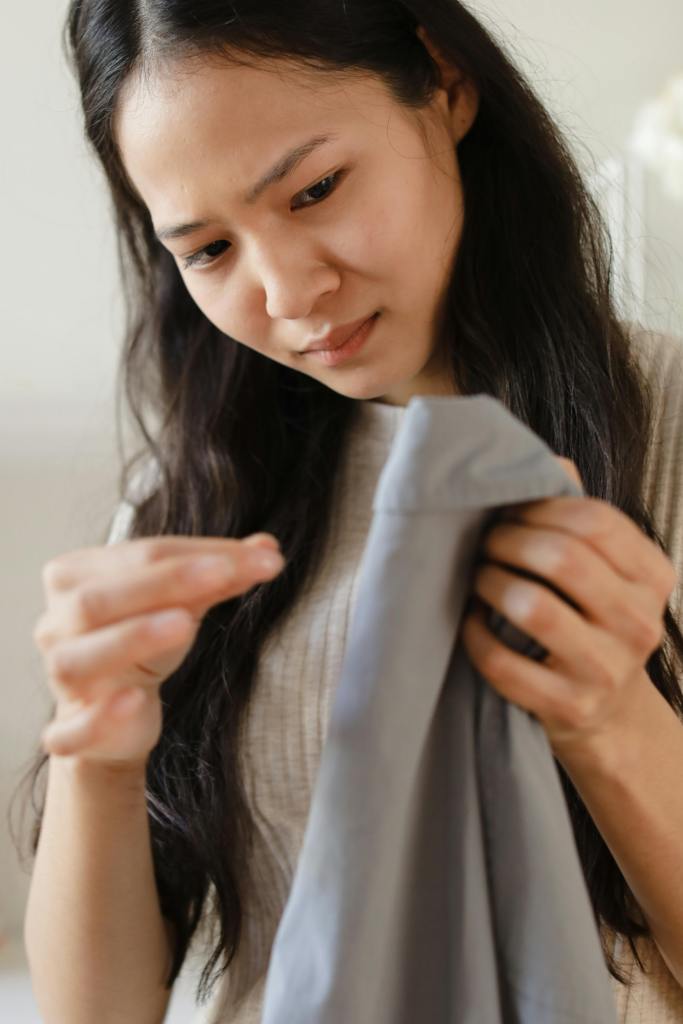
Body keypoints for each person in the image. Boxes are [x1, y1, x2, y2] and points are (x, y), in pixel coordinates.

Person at [11, 2, 683, 1022]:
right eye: (207, 251)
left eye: (315, 189)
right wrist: (95, 756)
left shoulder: (662, 426)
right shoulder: (197, 501)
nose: (286, 293)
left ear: (444, 83)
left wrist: (608, 718)